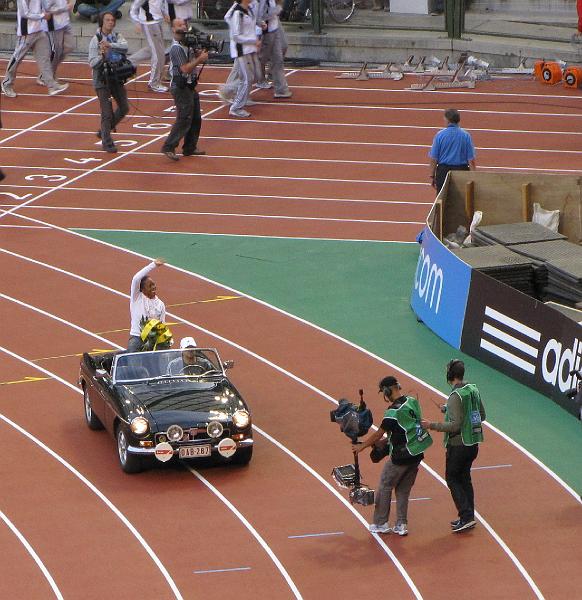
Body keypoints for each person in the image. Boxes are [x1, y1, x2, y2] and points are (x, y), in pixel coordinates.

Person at [353, 376, 432, 536]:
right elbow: (406, 428)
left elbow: (378, 433)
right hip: (416, 454)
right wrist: (386, 441)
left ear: (388, 390)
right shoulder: (412, 401)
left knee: (385, 485)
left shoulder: (392, 412)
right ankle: (401, 524)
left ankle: (381, 523)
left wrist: (362, 446)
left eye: (384, 392)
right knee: (403, 490)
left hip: (400, 457)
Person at [421, 359, 486, 533]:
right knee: (465, 478)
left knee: (452, 478)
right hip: (473, 444)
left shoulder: (455, 396)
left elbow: (455, 426)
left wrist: (431, 425)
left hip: (458, 445)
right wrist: (448, 409)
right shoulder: (472, 390)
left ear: (450, 375)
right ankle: (468, 516)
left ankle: (465, 516)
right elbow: (482, 415)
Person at [161, 18, 208, 161]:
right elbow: (185, 69)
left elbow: (199, 58)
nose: (183, 27)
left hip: (189, 85)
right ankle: (169, 146)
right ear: (173, 29)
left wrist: (201, 51)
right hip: (180, 86)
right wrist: (199, 60)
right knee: (184, 118)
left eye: (184, 25)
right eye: (180, 25)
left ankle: (190, 146)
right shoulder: (176, 48)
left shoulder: (188, 44)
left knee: (195, 118)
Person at [1, 0, 69, 98]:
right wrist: (42, 16)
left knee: (45, 57)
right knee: (17, 58)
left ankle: (51, 85)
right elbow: (25, 13)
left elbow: (45, 6)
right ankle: (7, 83)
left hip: (39, 30)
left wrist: (59, 9)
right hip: (27, 32)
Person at [88, 11, 130, 153]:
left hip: (116, 78)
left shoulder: (117, 36)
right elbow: (92, 62)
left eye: (112, 20)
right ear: (102, 22)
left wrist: (110, 46)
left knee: (124, 107)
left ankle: (104, 130)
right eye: (107, 20)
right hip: (102, 80)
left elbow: (125, 47)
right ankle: (107, 141)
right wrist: (103, 57)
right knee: (106, 112)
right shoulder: (95, 39)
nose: (110, 22)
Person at [225, 0, 262, 118]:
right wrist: (253, 40)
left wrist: (259, 25)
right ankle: (236, 107)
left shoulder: (249, 9)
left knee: (255, 76)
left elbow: (251, 26)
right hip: (241, 50)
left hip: (250, 49)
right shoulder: (238, 13)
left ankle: (236, 94)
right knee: (246, 79)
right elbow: (236, 36)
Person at [428, 108, 476, 194]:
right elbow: (471, 160)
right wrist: (474, 176)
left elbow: (434, 158)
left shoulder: (440, 135)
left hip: (443, 172)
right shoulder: (466, 136)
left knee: (442, 199)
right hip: (461, 171)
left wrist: (432, 175)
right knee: (462, 199)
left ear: (447, 120)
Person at [129, 0, 170, 93]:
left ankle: (130, 61)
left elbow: (160, 4)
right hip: (149, 23)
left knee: (155, 50)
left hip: (157, 21)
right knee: (158, 53)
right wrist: (136, 22)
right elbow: (134, 7)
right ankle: (153, 83)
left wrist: (164, 13)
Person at [128, 259, 166, 352]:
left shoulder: (160, 304)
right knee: (133, 362)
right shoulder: (137, 298)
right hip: (137, 338)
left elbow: (162, 325)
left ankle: (106, 360)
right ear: (142, 289)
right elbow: (136, 278)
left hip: (152, 341)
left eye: (154, 284)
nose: (153, 287)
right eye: (150, 285)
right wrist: (153, 265)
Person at [257, 0, 291, 98]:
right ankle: (231, 89)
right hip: (262, 26)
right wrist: (278, 7)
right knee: (256, 60)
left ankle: (280, 89)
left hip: (273, 24)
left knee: (280, 51)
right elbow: (260, 14)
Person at [42, 0, 74, 84]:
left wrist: (69, 4)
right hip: (54, 24)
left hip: (65, 22)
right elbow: (48, 9)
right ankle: (48, 74)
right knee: (57, 51)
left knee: (70, 47)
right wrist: (66, 7)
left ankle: (47, 72)